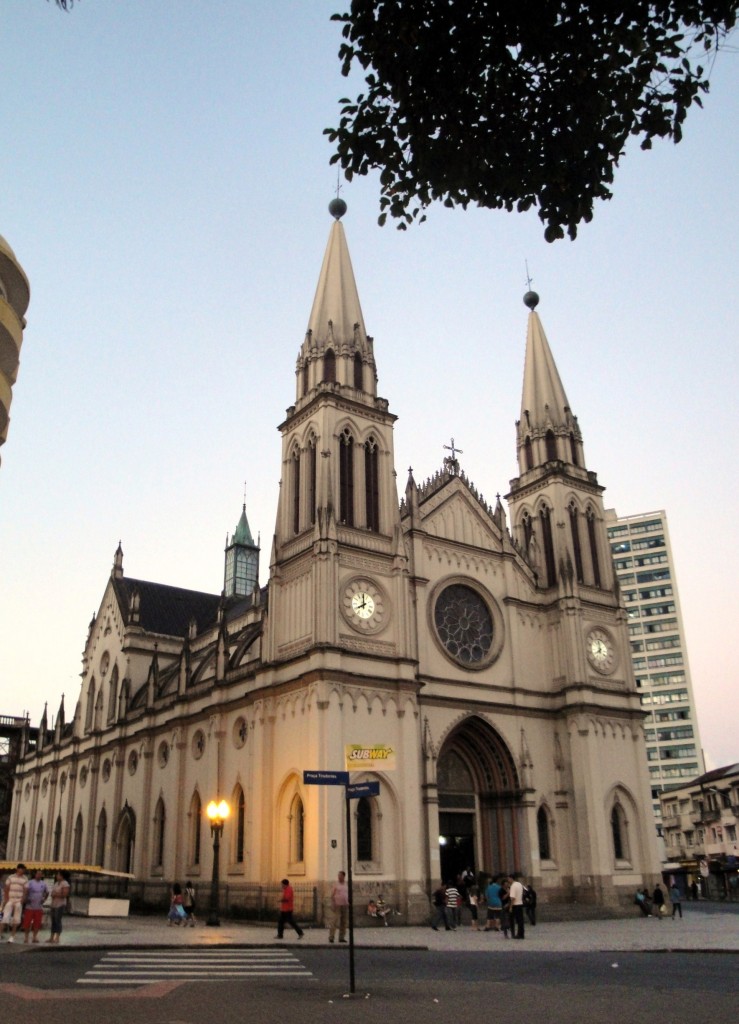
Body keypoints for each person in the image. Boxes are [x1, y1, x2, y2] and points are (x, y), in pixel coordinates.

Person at [1, 864, 28, 943]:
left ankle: (12, 936)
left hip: (18, 900)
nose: (22, 871)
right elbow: (6, 888)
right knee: (4, 917)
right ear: (18, 869)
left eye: (23, 870)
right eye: (21, 869)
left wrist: (22, 900)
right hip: (10, 899)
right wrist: (6, 899)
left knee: (16, 919)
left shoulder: (25, 878)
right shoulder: (11, 877)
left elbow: (25, 890)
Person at [23, 869, 49, 944]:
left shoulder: (43, 883)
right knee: (27, 923)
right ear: (35, 874)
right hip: (29, 907)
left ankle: (35, 937)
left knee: (37, 923)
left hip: (38, 907)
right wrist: (25, 899)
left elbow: (47, 892)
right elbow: (25, 891)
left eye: (40, 874)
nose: (39, 875)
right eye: (38, 874)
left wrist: (44, 899)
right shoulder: (30, 882)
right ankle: (26, 937)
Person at [47, 870, 71, 944]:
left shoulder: (65, 883)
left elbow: (65, 894)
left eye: (58, 875)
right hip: (54, 903)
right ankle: (51, 937)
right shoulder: (56, 883)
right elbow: (52, 892)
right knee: (53, 920)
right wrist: (53, 894)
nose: (57, 876)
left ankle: (57, 937)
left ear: (62, 876)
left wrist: (56, 894)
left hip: (60, 904)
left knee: (58, 920)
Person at [328, 870, 348, 943]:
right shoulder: (336, 884)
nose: (339, 877)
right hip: (337, 905)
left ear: (343, 876)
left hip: (345, 904)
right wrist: (333, 903)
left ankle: (341, 937)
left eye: (340, 876)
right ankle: (331, 937)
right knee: (334, 921)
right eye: (338, 876)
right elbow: (332, 895)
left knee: (344, 922)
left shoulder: (346, 884)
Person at [508, 874, 525, 939]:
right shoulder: (519, 884)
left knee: (512, 919)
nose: (508, 880)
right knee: (520, 920)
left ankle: (514, 934)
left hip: (515, 905)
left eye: (508, 879)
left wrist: (510, 907)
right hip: (520, 903)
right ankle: (521, 934)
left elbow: (513, 898)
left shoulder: (513, 886)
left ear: (511, 878)